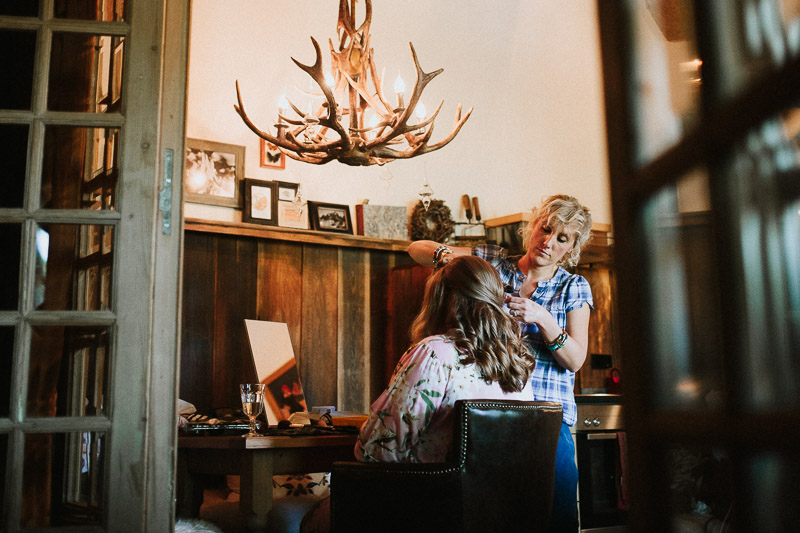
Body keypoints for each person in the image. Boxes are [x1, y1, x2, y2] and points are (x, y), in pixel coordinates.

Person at [300, 255, 535, 532]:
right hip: (498, 514)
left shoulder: (435, 352)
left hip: (427, 510)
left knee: (312, 520)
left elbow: (377, 450)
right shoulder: (518, 363)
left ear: (442, 300)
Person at [407, 193, 593, 532]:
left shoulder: (574, 287)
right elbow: (415, 248)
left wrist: (545, 321)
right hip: (486, 411)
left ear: (571, 248)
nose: (548, 241)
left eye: (561, 238)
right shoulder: (493, 260)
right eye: (545, 229)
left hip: (547, 417)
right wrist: (447, 257)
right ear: (533, 226)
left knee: (557, 514)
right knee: (487, 514)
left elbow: (576, 360)